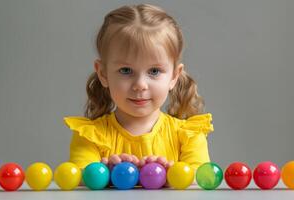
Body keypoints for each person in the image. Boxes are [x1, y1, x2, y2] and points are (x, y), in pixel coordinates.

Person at [64, 3, 214, 174]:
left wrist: (169, 176)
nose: (140, 85)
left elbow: (202, 177)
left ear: (174, 76)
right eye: (126, 70)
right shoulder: (90, 136)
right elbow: (78, 177)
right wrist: (106, 174)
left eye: (154, 71)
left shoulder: (188, 135)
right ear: (103, 74)